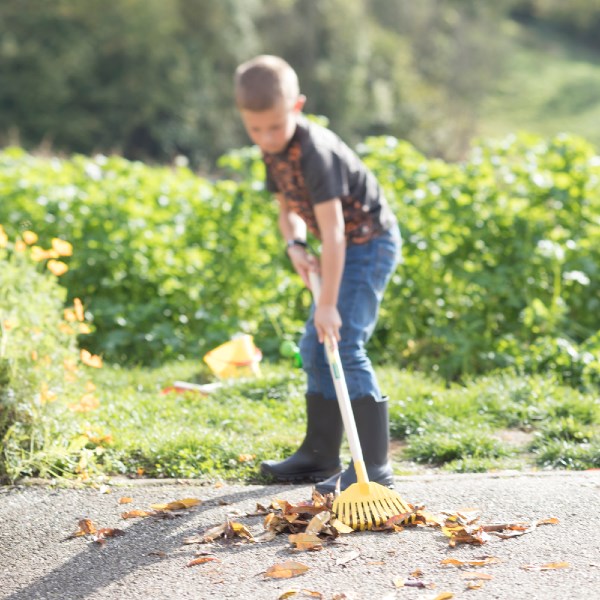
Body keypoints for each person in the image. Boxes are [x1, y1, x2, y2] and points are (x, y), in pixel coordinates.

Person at [234, 55, 401, 494]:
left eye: (274, 127)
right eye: (256, 130)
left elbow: (335, 234)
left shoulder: (317, 154)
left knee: (342, 339)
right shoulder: (274, 150)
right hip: (339, 246)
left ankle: (375, 469)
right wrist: (295, 247)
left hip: (369, 244)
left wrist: (327, 304)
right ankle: (319, 454)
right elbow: (288, 212)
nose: (266, 138)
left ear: (297, 107)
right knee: (313, 345)